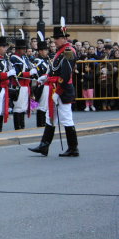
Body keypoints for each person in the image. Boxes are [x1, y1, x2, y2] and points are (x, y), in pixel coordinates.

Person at [29, 25, 79, 157]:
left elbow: (65, 75)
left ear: (63, 38)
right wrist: (46, 77)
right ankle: (44, 146)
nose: (54, 41)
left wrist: (58, 93)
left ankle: (73, 148)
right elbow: (55, 70)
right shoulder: (60, 51)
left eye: (57, 38)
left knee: (66, 118)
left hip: (63, 90)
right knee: (50, 118)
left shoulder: (68, 51)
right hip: (55, 88)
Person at [10, 38, 37, 130]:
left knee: (23, 107)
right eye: (22, 49)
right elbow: (17, 74)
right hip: (18, 85)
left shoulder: (24, 58)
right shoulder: (13, 58)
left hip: (26, 85)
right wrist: (29, 73)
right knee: (18, 107)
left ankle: (22, 126)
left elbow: (28, 68)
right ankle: (18, 127)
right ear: (18, 49)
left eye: (25, 48)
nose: (24, 50)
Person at [33, 39, 51, 126]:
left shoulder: (47, 60)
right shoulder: (37, 61)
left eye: (46, 50)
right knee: (42, 106)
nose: (46, 52)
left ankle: (45, 123)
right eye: (44, 50)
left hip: (49, 85)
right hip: (42, 85)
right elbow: (37, 74)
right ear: (40, 51)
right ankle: (40, 124)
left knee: (47, 105)